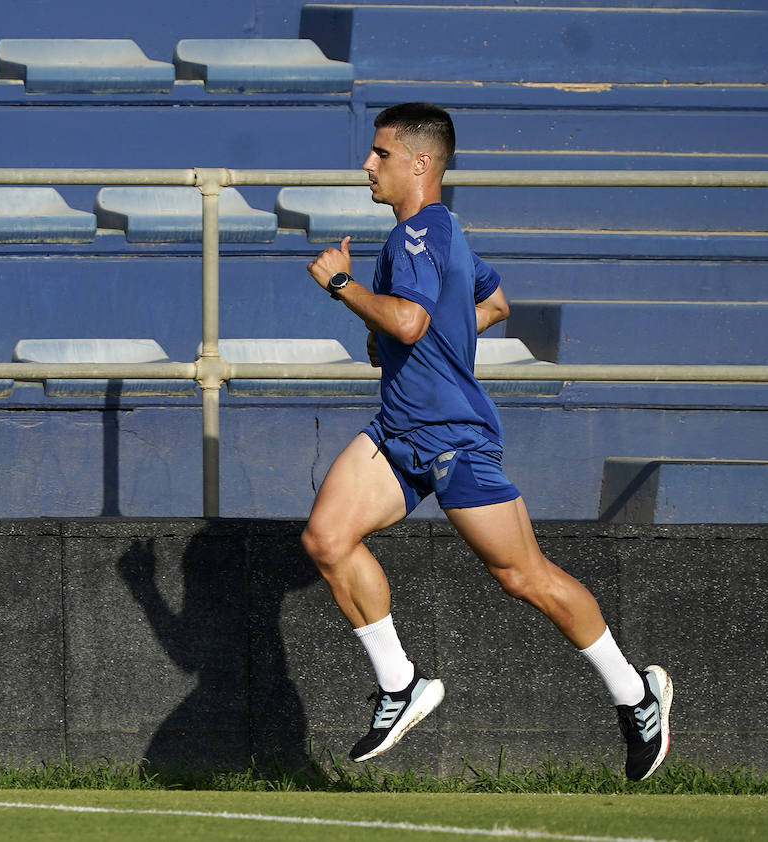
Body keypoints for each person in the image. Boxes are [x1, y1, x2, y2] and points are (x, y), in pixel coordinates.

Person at [302, 102, 672, 781]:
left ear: (421, 162)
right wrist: (407, 329)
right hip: (399, 432)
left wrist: (343, 285)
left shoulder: (422, 233)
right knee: (327, 538)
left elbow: (410, 323)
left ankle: (635, 693)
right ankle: (400, 685)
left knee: (523, 578)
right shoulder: (440, 236)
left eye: (381, 153)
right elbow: (493, 305)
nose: (367, 164)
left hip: (452, 439)